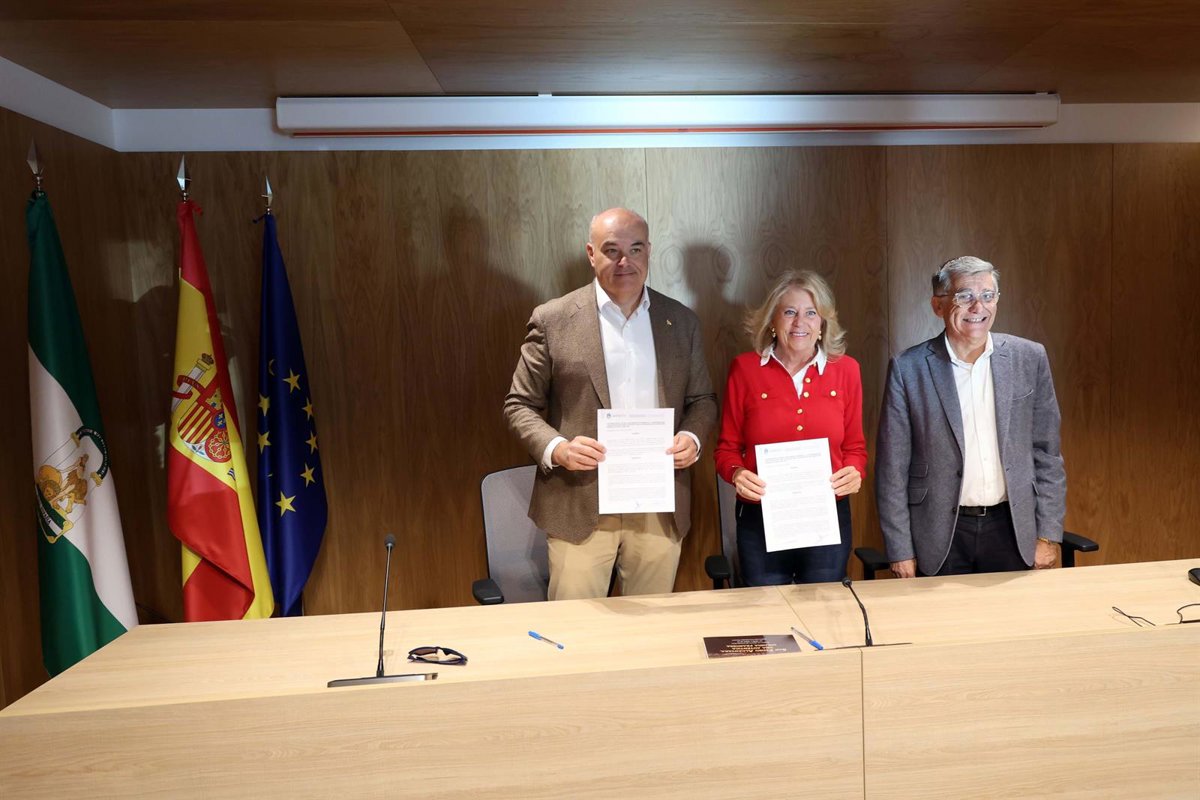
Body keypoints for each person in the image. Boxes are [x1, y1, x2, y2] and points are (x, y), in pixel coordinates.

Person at [503, 208, 718, 600]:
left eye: (635, 249)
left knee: (651, 626)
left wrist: (692, 437)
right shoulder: (553, 320)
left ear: (648, 251)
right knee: (575, 628)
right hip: (580, 500)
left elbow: (702, 400)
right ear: (591, 254)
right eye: (612, 250)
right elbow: (519, 404)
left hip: (658, 503)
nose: (625, 261)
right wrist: (559, 449)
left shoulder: (681, 321)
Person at [875, 256, 1066, 578]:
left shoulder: (1029, 358)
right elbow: (892, 468)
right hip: (938, 535)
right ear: (938, 305)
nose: (978, 306)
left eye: (988, 295)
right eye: (965, 296)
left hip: (1013, 528)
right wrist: (900, 549)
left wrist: (1047, 535)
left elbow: (1047, 454)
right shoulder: (908, 368)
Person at [714, 271, 866, 585]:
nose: (800, 322)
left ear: (823, 323)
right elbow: (726, 449)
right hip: (760, 519)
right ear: (773, 320)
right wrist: (737, 474)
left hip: (826, 515)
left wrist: (855, 472)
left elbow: (855, 448)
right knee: (767, 609)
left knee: (824, 606)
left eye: (811, 313)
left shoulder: (847, 370)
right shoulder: (744, 369)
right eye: (789, 312)